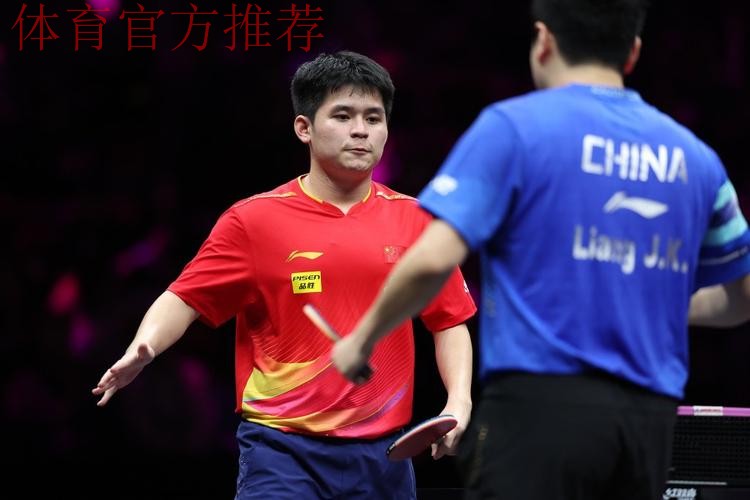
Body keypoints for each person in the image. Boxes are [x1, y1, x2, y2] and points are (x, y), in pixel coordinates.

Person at [330, 2, 750, 499]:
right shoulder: (697, 159)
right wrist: (646, 300)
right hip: (649, 423)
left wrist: (362, 339)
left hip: (539, 412)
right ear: (632, 52)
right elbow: (740, 298)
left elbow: (434, 258)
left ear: (544, 40)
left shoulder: (514, 128)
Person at [92, 51, 476, 500]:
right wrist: (145, 346)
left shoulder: (419, 221)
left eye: (373, 118)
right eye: (343, 116)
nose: (361, 130)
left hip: (384, 458)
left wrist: (458, 400)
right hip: (282, 451)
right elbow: (186, 297)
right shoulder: (254, 221)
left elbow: (449, 319)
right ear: (304, 128)